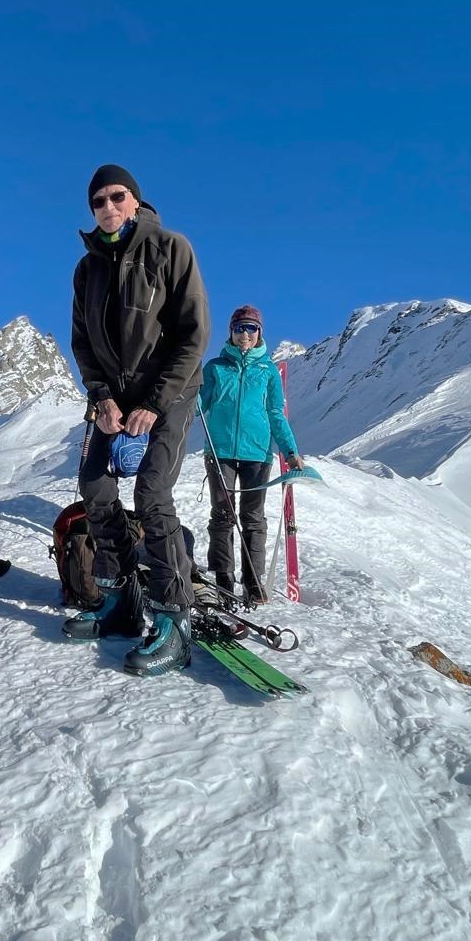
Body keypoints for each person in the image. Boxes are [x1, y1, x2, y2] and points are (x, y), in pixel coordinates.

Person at [64, 164, 210, 675]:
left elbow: (193, 336)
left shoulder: (171, 249)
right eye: (98, 201)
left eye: (116, 197)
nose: (107, 207)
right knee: (95, 489)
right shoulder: (87, 269)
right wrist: (102, 397)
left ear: (135, 200)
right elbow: (83, 343)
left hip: (168, 393)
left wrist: (154, 402)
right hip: (114, 399)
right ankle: (118, 599)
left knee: (151, 492)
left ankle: (173, 619)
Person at [198, 304, 302, 604]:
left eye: (251, 328)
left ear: (259, 333)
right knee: (222, 516)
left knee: (253, 519)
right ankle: (223, 580)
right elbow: (199, 406)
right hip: (220, 452)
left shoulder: (268, 370)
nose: (245, 333)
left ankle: (254, 584)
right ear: (231, 332)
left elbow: (275, 413)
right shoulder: (215, 367)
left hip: (258, 454)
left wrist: (290, 451)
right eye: (239, 327)